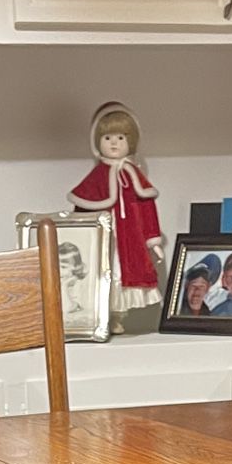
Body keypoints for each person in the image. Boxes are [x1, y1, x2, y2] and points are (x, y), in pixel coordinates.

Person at [70, 101, 164, 326]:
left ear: (130, 141)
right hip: (105, 241)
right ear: (97, 142)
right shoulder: (96, 177)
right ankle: (105, 318)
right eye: (108, 137)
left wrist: (153, 240)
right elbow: (81, 208)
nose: (114, 142)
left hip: (130, 240)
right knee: (104, 271)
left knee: (125, 273)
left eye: (120, 137)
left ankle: (119, 317)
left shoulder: (133, 175)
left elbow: (147, 209)